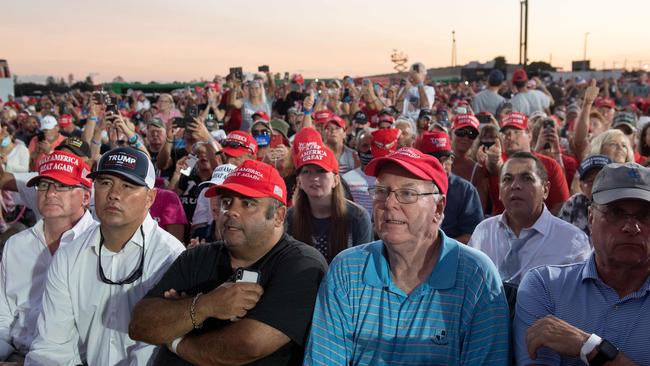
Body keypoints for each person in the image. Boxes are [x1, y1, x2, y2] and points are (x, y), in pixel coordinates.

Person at [304, 147, 510, 365]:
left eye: (408, 194)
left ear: (438, 208)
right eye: (381, 191)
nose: (389, 203)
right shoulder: (347, 269)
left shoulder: (476, 276)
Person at [129, 159, 328, 365]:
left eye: (248, 203)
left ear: (278, 216)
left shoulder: (302, 265)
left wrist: (176, 338)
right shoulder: (197, 256)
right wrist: (207, 305)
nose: (231, 211)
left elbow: (247, 346)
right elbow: (140, 324)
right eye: (226, 202)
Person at [25, 147, 185, 365]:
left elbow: (154, 352)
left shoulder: (171, 257)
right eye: (105, 182)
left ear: (150, 198)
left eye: (127, 185)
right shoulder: (69, 256)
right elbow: (53, 346)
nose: (114, 194)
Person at [514, 163, 650, 365]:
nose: (631, 227)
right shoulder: (545, 286)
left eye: (645, 215)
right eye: (615, 213)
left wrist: (588, 347)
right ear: (590, 218)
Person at [0, 151, 96, 363]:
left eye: (62, 185)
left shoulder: (102, 245)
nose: (50, 193)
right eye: (44, 185)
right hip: (14, 352)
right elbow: (3, 312)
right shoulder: (16, 245)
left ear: (86, 196)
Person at [469, 151, 591, 285]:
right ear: (499, 191)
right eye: (507, 179)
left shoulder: (572, 241)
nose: (515, 185)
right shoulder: (483, 232)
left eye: (527, 178)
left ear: (545, 190)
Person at [287, 140, 372, 262]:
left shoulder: (358, 217)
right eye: (306, 172)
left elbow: (362, 265)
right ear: (299, 181)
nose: (314, 178)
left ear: (336, 180)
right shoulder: (290, 218)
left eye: (321, 171)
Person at [418, 131, 483, 243]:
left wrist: (438, 248)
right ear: (421, 161)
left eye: (446, 159)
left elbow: (474, 236)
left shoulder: (466, 191)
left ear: (452, 159)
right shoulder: (411, 189)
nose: (442, 166)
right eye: (435, 161)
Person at [558, 154, 612, 235]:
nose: (596, 185)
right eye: (590, 181)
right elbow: (560, 233)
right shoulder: (574, 203)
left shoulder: (622, 203)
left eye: (602, 178)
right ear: (581, 186)